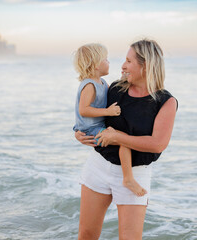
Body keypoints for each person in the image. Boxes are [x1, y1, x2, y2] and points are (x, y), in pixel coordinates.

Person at [75, 39, 178, 240]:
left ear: (146, 65)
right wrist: (79, 133)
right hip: (99, 165)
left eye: (129, 61)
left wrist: (118, 137)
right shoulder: (115, 89)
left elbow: (158, 144)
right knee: (86, 234)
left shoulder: (165, 102)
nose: (122, 66)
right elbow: (93, 117)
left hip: (135, 175)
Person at [73, 43, 147, 197]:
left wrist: (124, 79)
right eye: (105, 60)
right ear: (95, 65)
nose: (109, 62)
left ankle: (127, 177)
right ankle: (128, 179)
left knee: (122, 137)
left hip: (96, 125)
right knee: (124, 140)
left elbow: (111, 94)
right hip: (90, 129)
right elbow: (83, 110)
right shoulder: (89, 85)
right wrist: (108, 111)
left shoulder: (102, 83)